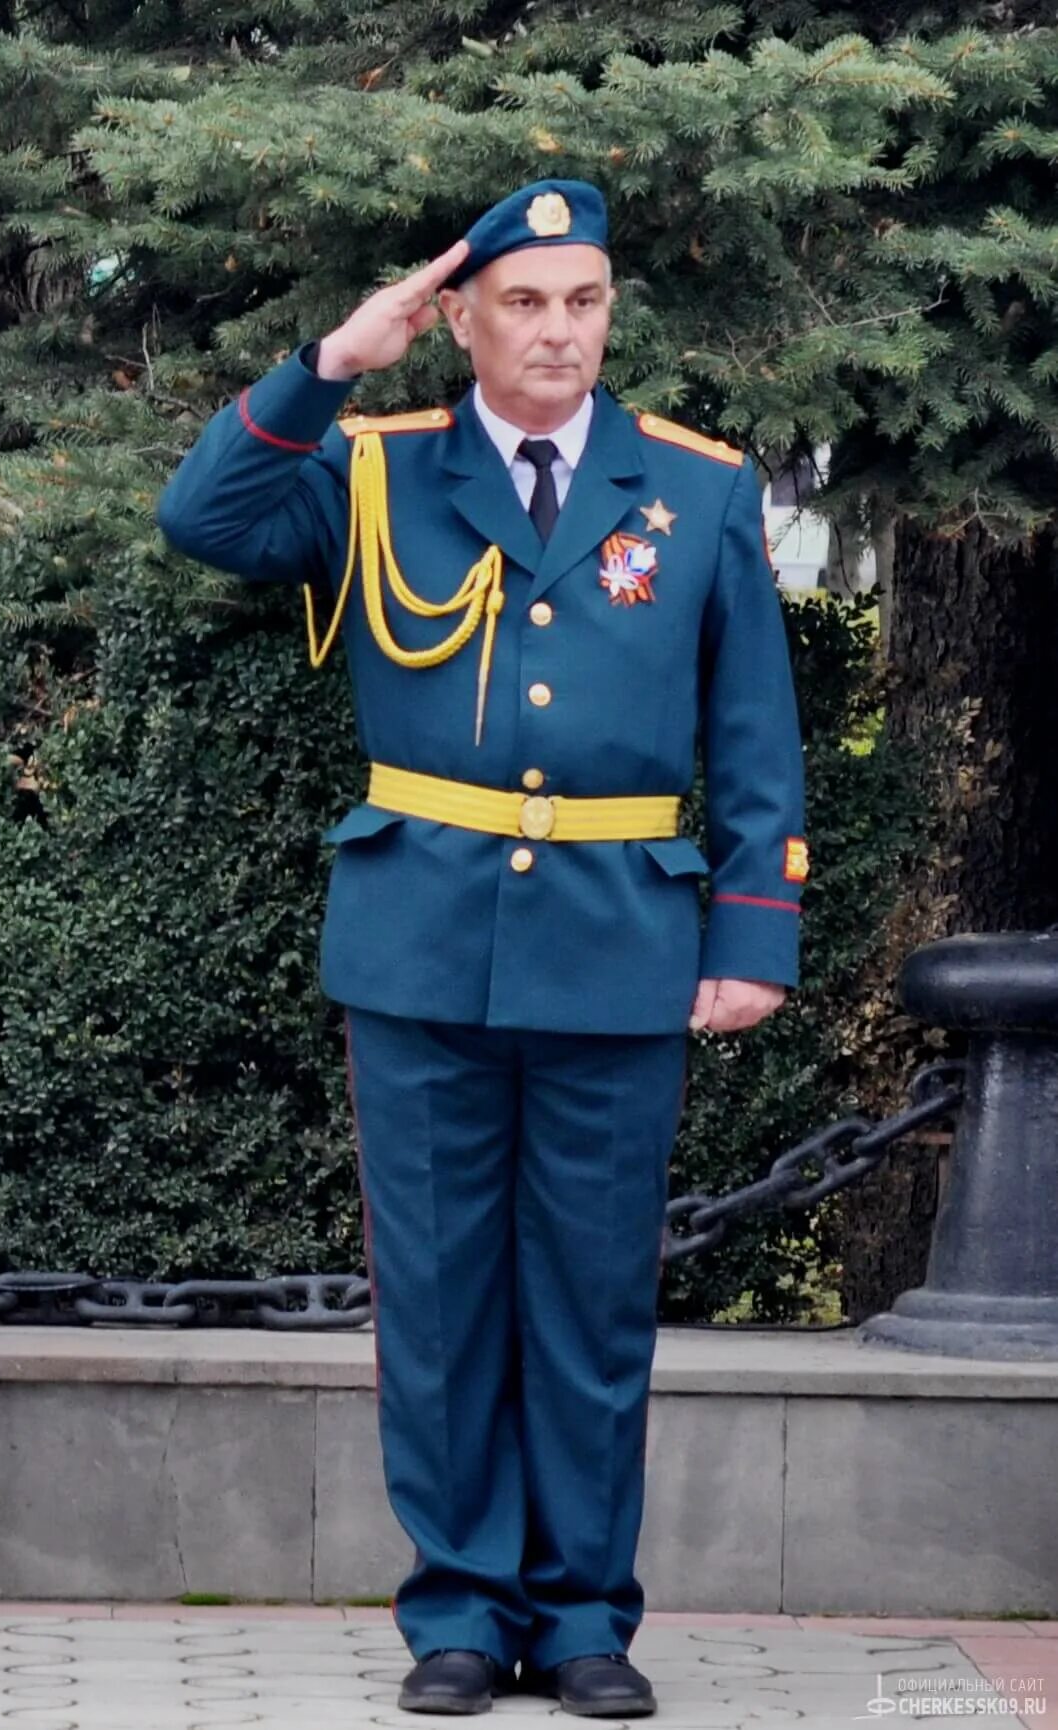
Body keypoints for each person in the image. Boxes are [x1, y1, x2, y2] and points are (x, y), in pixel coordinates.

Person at [158, 181, 806, 1719]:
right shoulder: (378, 472)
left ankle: (582, 1613)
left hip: (618, 939)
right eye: (523, 302)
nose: (558, 331)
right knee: (440, 1297)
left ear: (608, 313)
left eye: (582, 301)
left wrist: (753, 930)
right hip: (421, 942)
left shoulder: (694, 491)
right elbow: (205, 517)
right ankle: (456, 1605)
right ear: (458, 317)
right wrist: (329, 363)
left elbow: (756, 738)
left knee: (589, 1300)